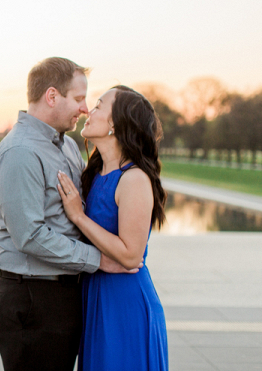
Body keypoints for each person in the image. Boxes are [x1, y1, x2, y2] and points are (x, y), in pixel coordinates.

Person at [0, 58, 138, 371]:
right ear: (52, 96)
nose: (84, 109)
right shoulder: (20, 152)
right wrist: (100, 260)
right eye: (79, 99)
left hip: (61, 295)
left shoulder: (67, 147)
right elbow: (30, 235)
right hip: (32, 298)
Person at [57, 85, 169, 370]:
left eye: (97, 106)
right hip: (96, 297)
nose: (88, 111)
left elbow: (132, 256)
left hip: (124, 303)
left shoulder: (134, 179)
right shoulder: (94, 173)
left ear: (114, 124)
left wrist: (79, 217)